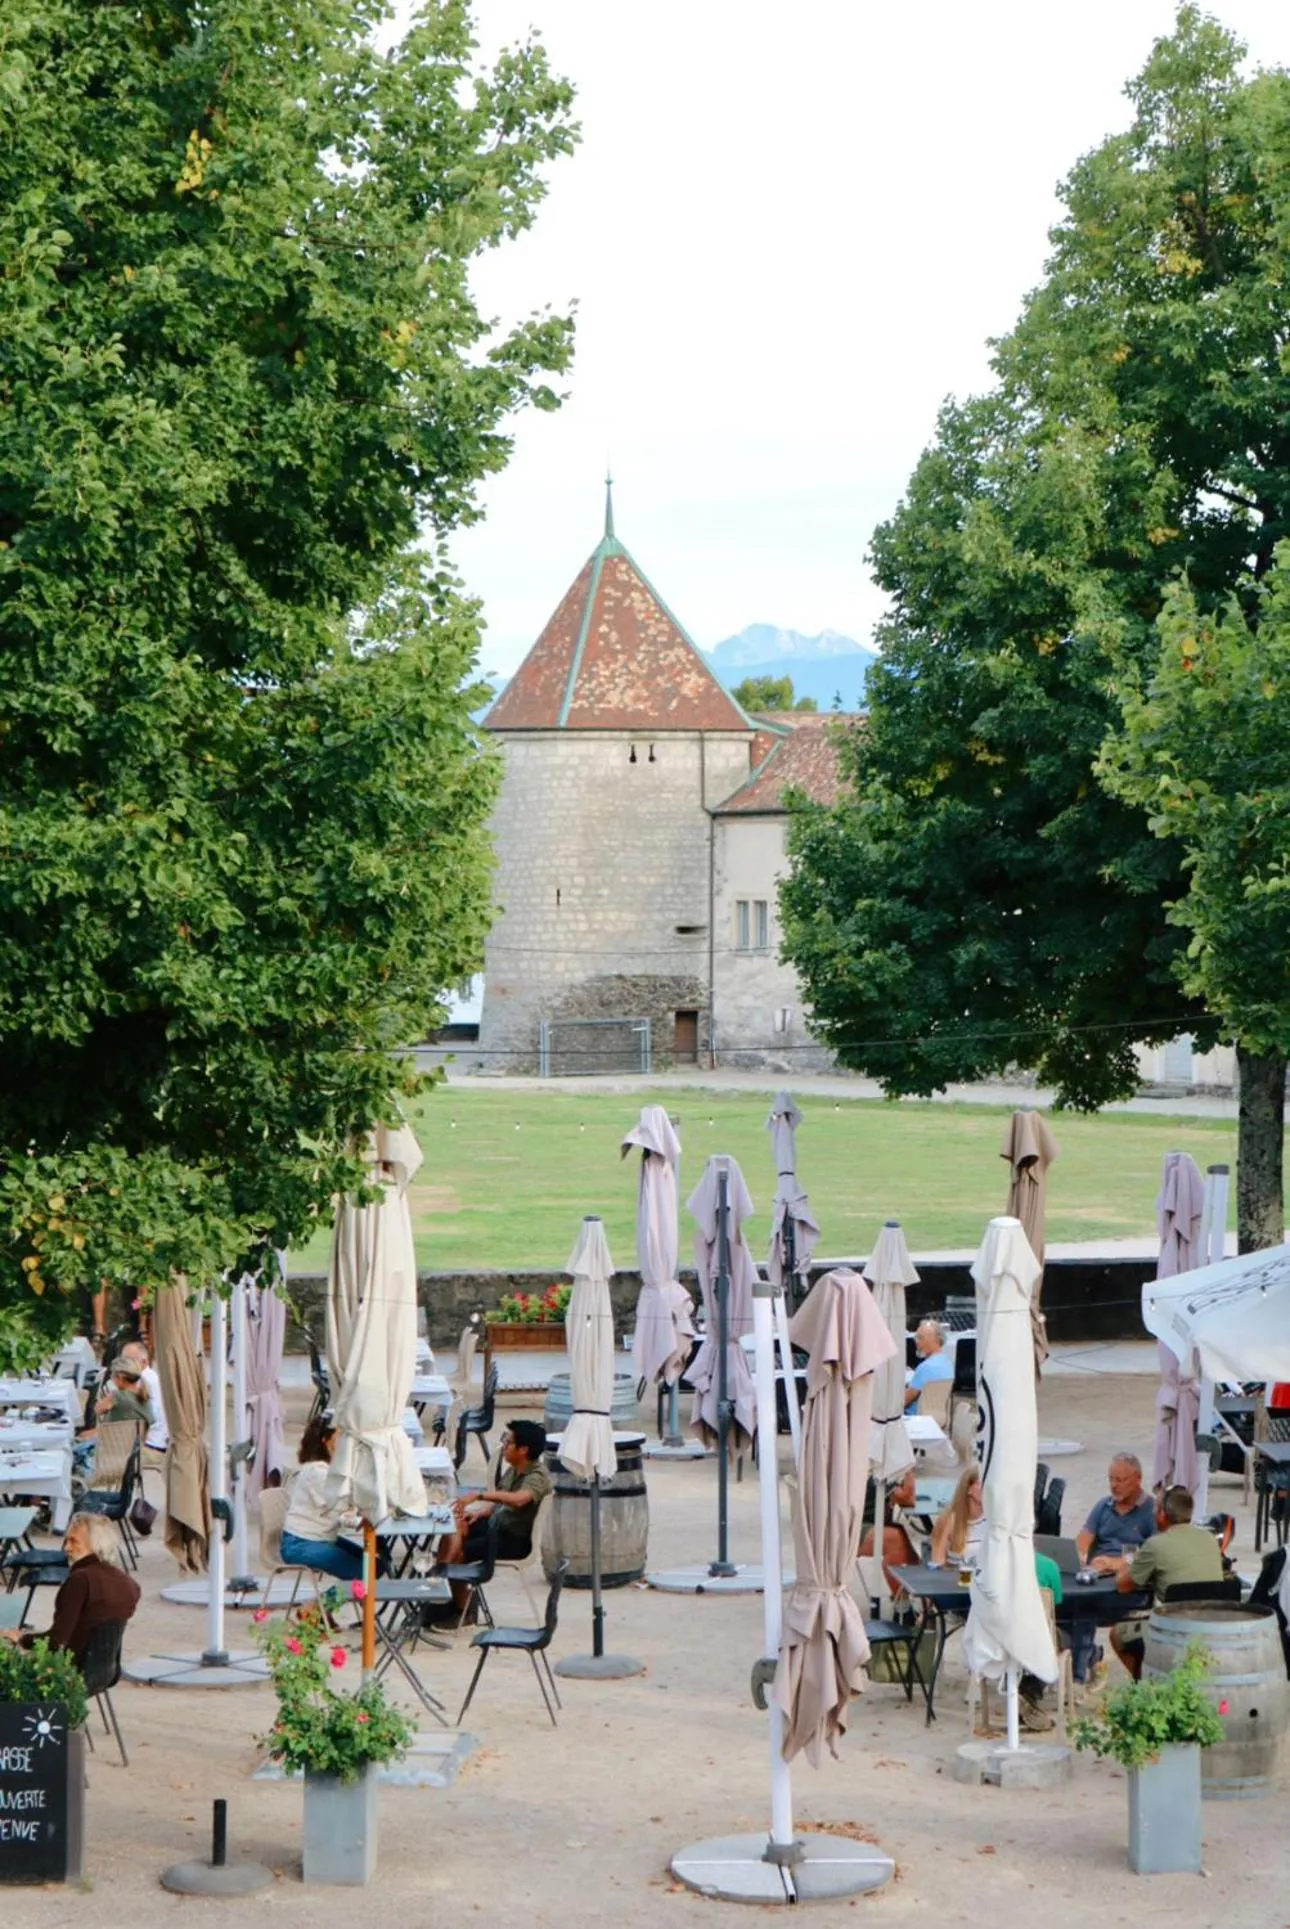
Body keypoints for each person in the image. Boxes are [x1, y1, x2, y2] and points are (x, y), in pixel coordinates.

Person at [1105, 1484, 1225, 1679]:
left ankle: (1145, 1685)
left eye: (1155, 1507)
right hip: (1210, 1625)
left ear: (1162, 1513)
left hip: (1175, 1630)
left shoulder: (1155, 1545)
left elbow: (1123, 1585)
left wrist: (1128, 1561)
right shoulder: (1210, 1539)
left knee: (1118, 1633)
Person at [435, 1418, 552, 1615]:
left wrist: (479, 1496)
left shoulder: (537, 1476)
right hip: (497, 1526)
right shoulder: (515, 1469)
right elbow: (500, 1501)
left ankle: (460, 1608)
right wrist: (480, 1513)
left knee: (462, 1554)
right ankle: (441, 1579)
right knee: (457, 1523)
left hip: (514, 1539)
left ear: (523, 1450)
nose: (504, 1446)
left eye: (509, 1442)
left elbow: (519, 1499)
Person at [3, 1514, 140, 1667]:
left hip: (71, 1672)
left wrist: (22, 1639)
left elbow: (56, 1641)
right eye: (66, 1541)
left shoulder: (80, 1581)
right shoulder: (130, 1584)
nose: (66, 1548)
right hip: (105, 1671)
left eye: (74, 1541)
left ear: (95, 1546)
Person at [1069, 1451, 1157, 1681]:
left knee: (1083, 1609)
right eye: (1111, 1479)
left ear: (1137, 1479)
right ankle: (1087, 1657)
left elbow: (1153, 1554)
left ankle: (1079, 1676)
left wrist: (1115, 1563)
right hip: (1097, 1577)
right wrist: (1080, 1557)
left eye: (1120, 1480)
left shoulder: (1151, 1512)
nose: (1114, 1486)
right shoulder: (1103, 1506)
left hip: (1128, 1584)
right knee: (1061, 1604)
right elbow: (1083, 1540)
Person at [281, 1414, 364, 1583]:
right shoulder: (316, 1471)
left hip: (320, 1538)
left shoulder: (330, 1468)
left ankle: (326, 1604)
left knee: (374, 1564)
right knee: (364, 1571)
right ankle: (318, 1607)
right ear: (326, 1440)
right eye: (340, 1436)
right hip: (301, 1543)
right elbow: (341, 1505)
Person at [859, 1467, 920, 1599]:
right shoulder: (883, 1467)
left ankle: (926, 1598)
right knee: (894, 1539)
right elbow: (908, 1499)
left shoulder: (887, 1468)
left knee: (902, 1535)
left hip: (865, 1521)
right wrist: (909, 1469)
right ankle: (902, 1606)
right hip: (848, 1528)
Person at [930, 1463, 985, 1568]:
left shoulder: (993, 1520)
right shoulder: (949, 1520)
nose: (987, 1488)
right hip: (959, 1580)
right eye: (981, 1483)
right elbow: (937, 1563)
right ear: (969, 1489)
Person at [122, 1339, 169, 1459]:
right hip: (154, 1441)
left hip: (149, 1446)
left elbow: (133, 1420)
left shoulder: (143, 1381)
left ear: (144, 1362)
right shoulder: (150, 1377)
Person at [904, 1320, 953, 1413]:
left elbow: (905, 1401)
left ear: (933, 1340)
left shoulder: (924, 1368)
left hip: (915, 1419)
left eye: (920, 1338)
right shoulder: (948, 1363)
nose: (917, 1342)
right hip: (939, 1419)